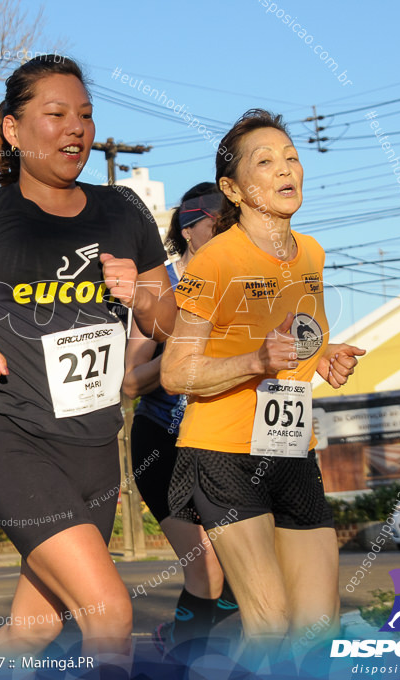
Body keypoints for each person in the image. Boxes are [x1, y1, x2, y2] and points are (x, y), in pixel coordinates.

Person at [0, 54, 175, 673]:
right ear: (13, 130)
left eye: (85, 115)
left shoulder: (123, 210)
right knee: (110, 614)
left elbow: (166, 325)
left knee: (32, 631)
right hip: (19, 443)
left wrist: (142, 294)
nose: (76, 128)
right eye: (56, 115)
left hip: (99, 450)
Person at [161, 109, 366, 670]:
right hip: (223, 451)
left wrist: (325, 357)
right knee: (270, 623)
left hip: (290, 447)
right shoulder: (215, 259)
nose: (286, 169)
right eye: (266, 161)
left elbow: (302, 336)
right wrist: (254, 360)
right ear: (234, 187)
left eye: (292, 157)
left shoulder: (313, 254)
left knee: (318, 630)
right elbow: (175, 373)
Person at [122, 183, 235, 656]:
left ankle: (189, 645)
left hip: (222, 442)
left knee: (241, 575)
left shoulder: (241, 284)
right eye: (221, 222)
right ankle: (182, 658)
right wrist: (181, 361)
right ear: (191, 229)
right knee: (206, 568)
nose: (232, 231)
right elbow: (129, 382)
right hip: (163, 443)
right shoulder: (162, 288)